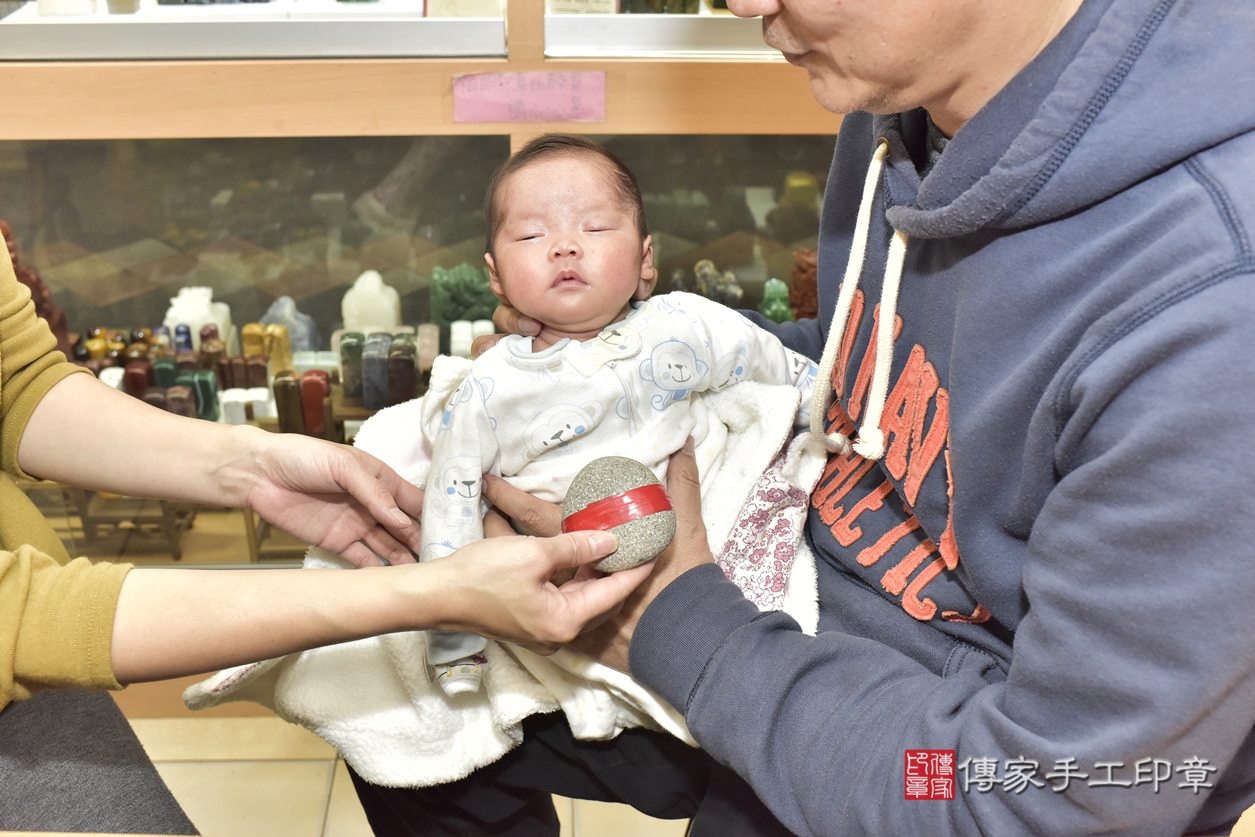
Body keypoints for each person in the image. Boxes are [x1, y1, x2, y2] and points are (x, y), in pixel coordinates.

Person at [360, 0, 1255, 834]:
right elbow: (872, 355)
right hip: (781, 586)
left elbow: (1047, 794)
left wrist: (676, 625)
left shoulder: (1214, 312)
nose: (742, 3)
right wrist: (631, 357)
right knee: (376, 677)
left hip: (934, 753)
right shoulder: (901, 94)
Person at [0, 243, 651, 833]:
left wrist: (252, 465)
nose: (564, 247)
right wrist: (427, 594)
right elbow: (19, 617)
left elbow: (17, 379)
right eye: (529, 234)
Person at [419, 133, 817, 695]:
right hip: (560, 574)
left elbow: (781, 370)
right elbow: (450, 508)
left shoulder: (686, 326)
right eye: (531, 235)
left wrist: (832, 415)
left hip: (706, 552)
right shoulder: (490, 386)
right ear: (496, 277)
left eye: (595, 228)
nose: (564, 247)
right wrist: (455, 640)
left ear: (646, 259)